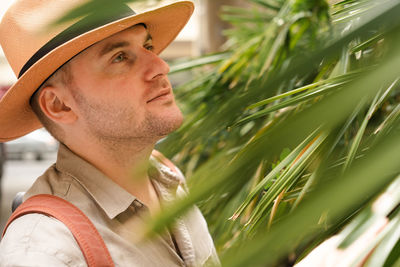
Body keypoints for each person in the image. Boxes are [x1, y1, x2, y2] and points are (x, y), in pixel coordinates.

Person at [0, 0, 219, 266]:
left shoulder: (166, 175)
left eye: (148, 46)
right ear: (59, 105)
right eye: (120, 57)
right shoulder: (45, 252)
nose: (161, 66)